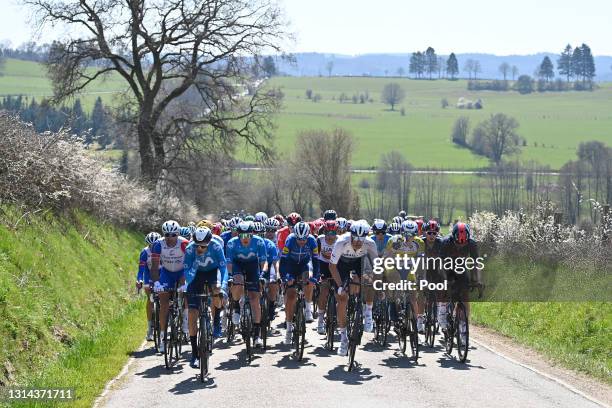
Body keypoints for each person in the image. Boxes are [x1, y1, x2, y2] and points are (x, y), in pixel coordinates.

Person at [329, 221, 378, 356]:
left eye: (361, 239)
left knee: (369, 281)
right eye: (355, 238)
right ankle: (344, 339)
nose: (357, 242)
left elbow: (377, 266)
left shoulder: (370, 244)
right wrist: (340, 286)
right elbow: (332, 267)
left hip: (359, 262)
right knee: (342, 298)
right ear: (351, 235)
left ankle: (368, 312)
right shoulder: (341, 242)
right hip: (342, 264)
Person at [183, 227, 228, 368]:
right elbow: (189, 277)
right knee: (192, 313)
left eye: (203, 245)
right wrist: (197, 258)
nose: (200, 247)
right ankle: (194, 354)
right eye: (198, 244)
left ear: (209, 242)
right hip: (196, 276)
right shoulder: (190, 249)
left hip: (213, 273)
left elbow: (223, 268)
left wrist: (223, 286)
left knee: (216, 290)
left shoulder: (215, 246)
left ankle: (216, 322)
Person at [226, 221, 268, 347]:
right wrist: (230, 276)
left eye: (248, 236)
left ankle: (257, 334)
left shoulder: (259, 241)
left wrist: (262, 275)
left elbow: (263, 261)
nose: (245, 239)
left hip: (253, 266)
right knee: (237, 282)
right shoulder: (231, 243)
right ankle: (236, 306)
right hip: (237, 265)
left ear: (252, 234)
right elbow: (229, 263)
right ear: (238, 235)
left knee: (255, 298)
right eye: (242, 236)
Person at [150, 220, 189, 354]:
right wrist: (156, 283)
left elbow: (191, 263)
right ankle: (162, 337)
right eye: (167, 234)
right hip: (166, 273)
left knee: (185, 293)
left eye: (173, 235)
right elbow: (154, 267)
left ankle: (185, 319)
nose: (169, 238)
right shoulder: (158, 245)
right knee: (164, 303)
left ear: (177, 234)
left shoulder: (184, 243)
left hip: (182, 272)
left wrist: (187, 282)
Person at [438, 222, 479, 343]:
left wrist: (477, 280)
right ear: (453, 238)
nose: (461, 246)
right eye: (458, 243)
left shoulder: (472, 243)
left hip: (461, 268)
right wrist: (445, 281)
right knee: (444, 288)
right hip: (446, 267)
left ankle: (464, 325)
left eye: (464, 243)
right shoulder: (446, 242)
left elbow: (476, 264)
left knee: (465, 295)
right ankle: (442, 311)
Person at [280, 222, 319, 345]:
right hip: (290, 265)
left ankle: (308, 309)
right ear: (294, 236)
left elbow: (316, 260)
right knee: (291, 296)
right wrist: (286, 277)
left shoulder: (312, 241)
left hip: (304, 264)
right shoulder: (290, 240)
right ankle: (289, 329)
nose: (302, 241)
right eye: (299, 239)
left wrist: (315, 277)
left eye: (304, 239)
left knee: (308, 279)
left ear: (308, 235)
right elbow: (283, 261)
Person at [315, 220, 339, 334]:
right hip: (323, 265)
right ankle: (320, 321)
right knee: (324, 290)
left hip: (336, 265)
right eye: (328, 233)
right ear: (324, 232)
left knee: (340, 292)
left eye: (333, 233)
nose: (330, 236)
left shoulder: (340, 241)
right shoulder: (319, 240)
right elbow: (315, 257)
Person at [137, 231, 161, 341]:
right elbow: (141, 269)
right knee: (150, 299)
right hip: (149, 276)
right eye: (150, 245)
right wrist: (139, 280)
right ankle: (150, 328)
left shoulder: (163, 250)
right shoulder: (145, 252)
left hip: (161, 275)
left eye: (154, 245)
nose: (152, 247)